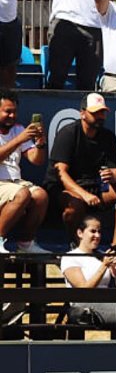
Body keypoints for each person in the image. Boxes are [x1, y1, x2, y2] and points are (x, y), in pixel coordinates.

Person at [44, 93, 116, 248]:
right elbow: (61, 174)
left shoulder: (108, 136)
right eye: (95, 113)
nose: (100, 116)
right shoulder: (68, 133)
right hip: (64, 190)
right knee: (75, 204)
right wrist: (84, 195)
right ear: (82, 113)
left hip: (96, 188)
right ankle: (76, 245)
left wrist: (112, 176)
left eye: (102, 112)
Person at [0, 90, 48, 254]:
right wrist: (19, 140)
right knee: (22, 194)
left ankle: (26, 244)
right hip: (1, 183)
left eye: (14, 111)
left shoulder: (18, 129)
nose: (12, 116)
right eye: (7, 111)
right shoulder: (19, 135)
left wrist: (40, 142)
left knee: (40, 195)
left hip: (15, 183)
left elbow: (36, 160)